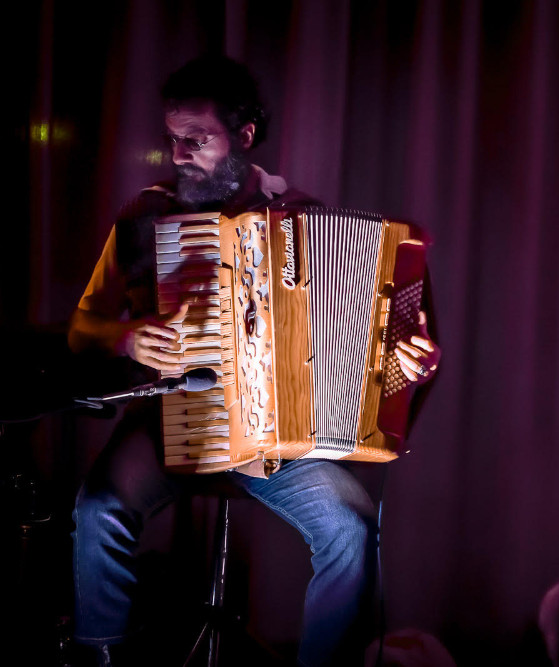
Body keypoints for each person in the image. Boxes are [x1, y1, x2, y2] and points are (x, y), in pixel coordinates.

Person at [68, 56, 440, 665]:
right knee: (99, 507)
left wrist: (410, 361)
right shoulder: (146, 215)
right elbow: (84, 327)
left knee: (349, 527)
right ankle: (100, 658)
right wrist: (127, 339)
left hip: (273, 439)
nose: (179, 155)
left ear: (244, 137)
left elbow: (382, 350)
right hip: (171, 418)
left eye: (197, 140)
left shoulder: (308, 221)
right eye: (172, 141)